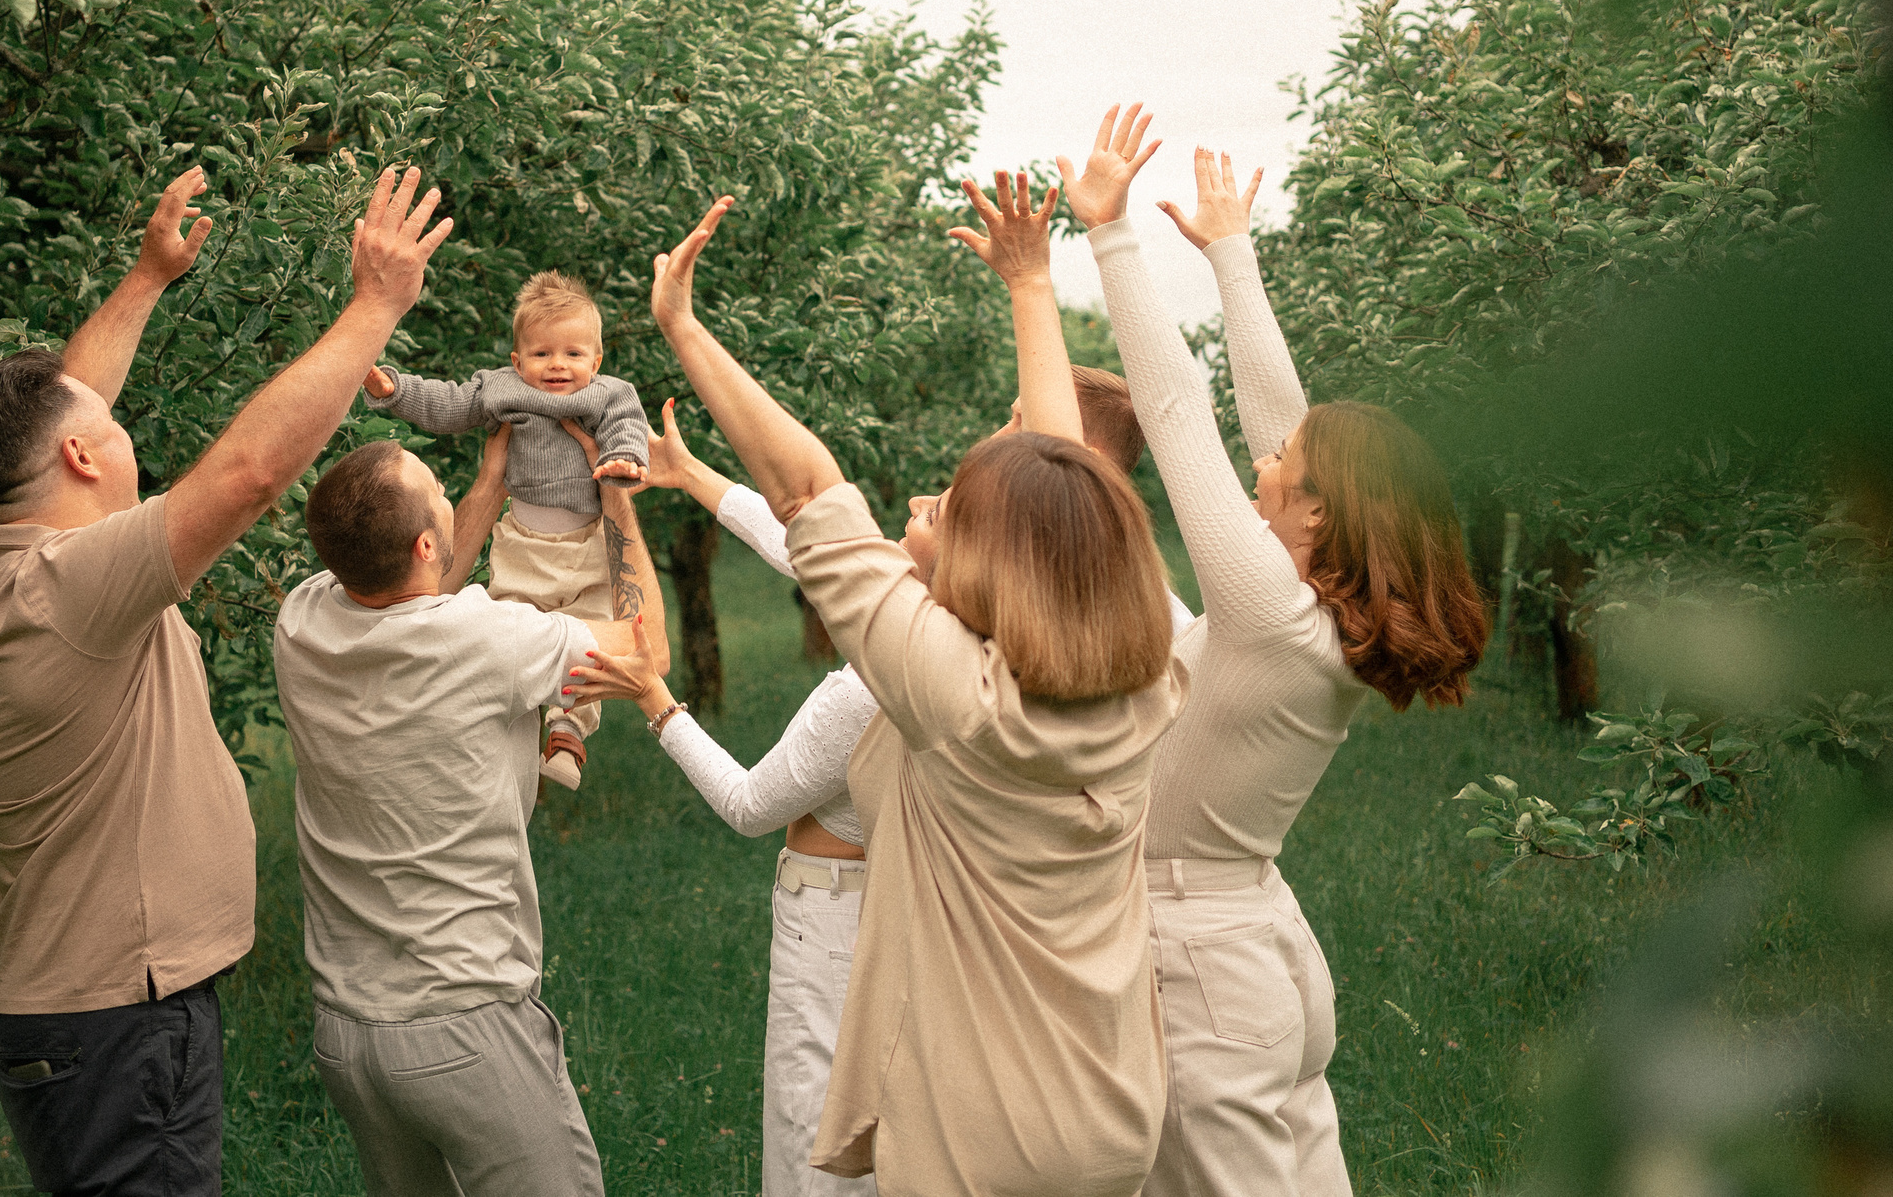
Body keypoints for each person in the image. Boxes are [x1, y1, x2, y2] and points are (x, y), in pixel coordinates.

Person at [575, 179, 1185, 1197]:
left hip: (981, 1130)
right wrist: (1033, 287)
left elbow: (811, 494)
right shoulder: (1150, 677)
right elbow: (1069, 509)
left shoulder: (950, 698)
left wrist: (681, 327)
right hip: (1117, 1113)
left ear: (986, 562)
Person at [0, 165, 454, 1197]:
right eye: (111, 431)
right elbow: (248, 475)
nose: (126, 435)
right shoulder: (76, 587)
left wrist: (147, 277)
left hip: (56, 1006)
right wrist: (375, 305)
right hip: (121, 1018)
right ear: (83, 457)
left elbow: (74, 405)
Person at [1060, 106, 1488, 1197]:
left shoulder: (1267, 612)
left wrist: (1111, 235)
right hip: (1252, 942)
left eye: (1282, 470)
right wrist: (1230, 256)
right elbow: (1273, 423)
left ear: (1317, 512)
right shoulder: (1315, 617)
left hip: (1198, 957)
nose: (1263, 470)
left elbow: (1171, 409)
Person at [272, 422, 669, 1197]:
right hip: (465, 1025)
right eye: (440, 494)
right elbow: (641, 648)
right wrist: (617, 502)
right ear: (426, 545)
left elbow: (414, 585)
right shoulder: (491, 639)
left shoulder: (303, 620)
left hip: (348, 1033)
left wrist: (492, 481)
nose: (454, 503)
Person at [362, 269, 652, 790]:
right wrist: (396, 391)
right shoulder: (503, 390)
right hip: (522, 540)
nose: (557, 365)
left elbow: (628, 430)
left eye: (572, 354)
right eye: (541, 354)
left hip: (588, 544)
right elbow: (449, 403)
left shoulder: (611, 396)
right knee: (512, 618)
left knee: (591, 635)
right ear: (517, 362)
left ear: (597, 360)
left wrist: (625, 461)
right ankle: (503, 721)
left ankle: (568, 731)